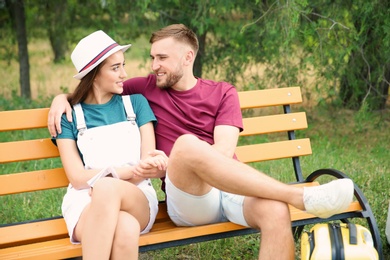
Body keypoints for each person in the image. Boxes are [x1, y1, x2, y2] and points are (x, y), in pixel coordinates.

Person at [49, 24, 353, 260]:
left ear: (188, 57)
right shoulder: (143, 89)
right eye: (152, 58)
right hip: (191, 198)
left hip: (231, 188)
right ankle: (297, 196)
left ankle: (285, 199)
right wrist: (60, 99)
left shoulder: (223, 92)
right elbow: (91, 90)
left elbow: (222, 153)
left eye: (162, 58)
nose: (153, 66)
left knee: (275, 211)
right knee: (186, 144)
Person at [53, 30, 167, 260]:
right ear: (94, 75)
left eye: (123, 65)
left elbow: (145, 169)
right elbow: (76, 177)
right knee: (125, 227)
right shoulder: (69, 116)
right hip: (85, 201)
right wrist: (124, 173)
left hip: (136, 196)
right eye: (115, 68)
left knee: (105, 187)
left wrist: (108, 180)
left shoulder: (136, 104)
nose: (124, 74)